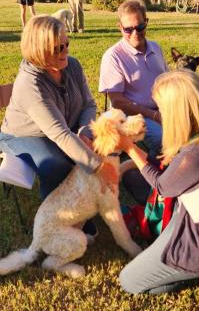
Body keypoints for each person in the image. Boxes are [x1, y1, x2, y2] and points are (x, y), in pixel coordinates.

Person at [117, 70, 199, 295]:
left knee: (130, 281)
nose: (158, 113)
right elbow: (173, 171)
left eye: (161, 108)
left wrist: (129, 148)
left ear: (177, 112)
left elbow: (163, 186)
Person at [0, 15, 117, 235]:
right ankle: (55, 216)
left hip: (62, 128)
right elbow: (61, 135)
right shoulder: (30, 83)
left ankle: (87, 205)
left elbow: (89, 104)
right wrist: (100, 169)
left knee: (89, 151)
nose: (65, 51)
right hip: (23, 135)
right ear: (38, 49)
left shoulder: (72, 65)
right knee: (56, 164)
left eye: (66, 44)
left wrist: (84, 131)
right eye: (57, 48)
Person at [99, 0, 168, 157]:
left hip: (161, 110)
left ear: (146, 22)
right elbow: (118, 102)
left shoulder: (156, 48)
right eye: (128, 29)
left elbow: (167, 83)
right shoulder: (113, 56)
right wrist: (155, 116)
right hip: (133, 117)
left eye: (140, 27)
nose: (135, 33)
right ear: (120, 28)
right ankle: (153, 172)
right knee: (162, 139)